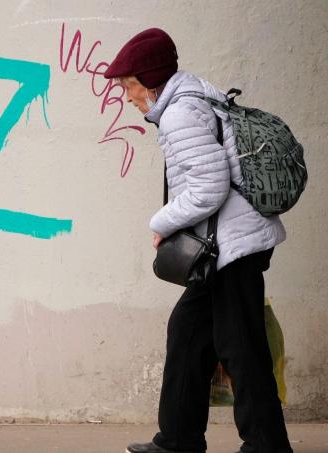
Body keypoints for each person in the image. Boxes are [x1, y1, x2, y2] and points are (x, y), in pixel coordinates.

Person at [103, 28, 293, 453]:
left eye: (128, 86)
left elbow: (208, 187)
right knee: (188, 333)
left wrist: (162, 222)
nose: (127, 97)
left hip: (233, 247)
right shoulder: (194, 96)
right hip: (224, 244)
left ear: (150, 80)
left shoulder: (180, 113)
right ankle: (178, 439)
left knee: (241, 346)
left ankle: (267, 445)